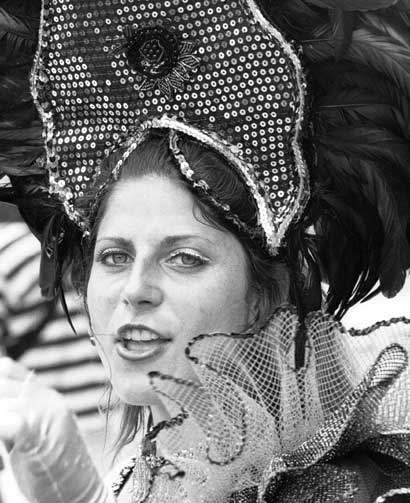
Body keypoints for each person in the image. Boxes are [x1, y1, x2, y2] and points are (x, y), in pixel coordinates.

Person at [1, 1, 410, 502]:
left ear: (263, 297)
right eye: (114, 256)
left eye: (185, 258)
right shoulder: (149, 473)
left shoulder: (334, 488)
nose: (135, 291)